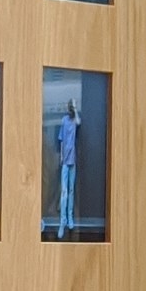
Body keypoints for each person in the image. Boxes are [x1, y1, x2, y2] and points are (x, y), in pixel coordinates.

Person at [54, 95, 82, 240]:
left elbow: (78, 122)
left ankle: (70, 218)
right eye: (72, 106)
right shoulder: (64, 120)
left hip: (73, 160)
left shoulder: (74, 120)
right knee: (64, 191)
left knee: (71, 190)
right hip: (65, 160)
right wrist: (61, 156)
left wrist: (76, 110)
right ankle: (62, 221)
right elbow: (61, 139)